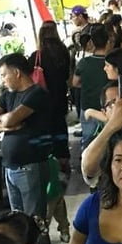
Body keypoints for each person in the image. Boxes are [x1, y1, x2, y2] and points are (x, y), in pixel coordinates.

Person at [0, 53, 56, 244]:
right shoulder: (8, 95)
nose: (3, 80)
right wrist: (5, 127)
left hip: (31, 166)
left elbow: (9, 119)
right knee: (16, 222)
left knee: (35, 221)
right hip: (10, 166)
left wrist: (5, 122)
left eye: (5, 75)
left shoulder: (35, 94)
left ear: (17, 72)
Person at [29, 22, 72, 172]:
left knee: (47, 129)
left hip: (43, 99)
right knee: (60, 126)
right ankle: (63, 158)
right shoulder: (63, 52)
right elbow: (67, 74)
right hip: (60, 96)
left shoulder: (37, 55)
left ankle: (49, 159)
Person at [74, 27, 113, 151]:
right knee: (108, 141)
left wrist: (87, 84)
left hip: (88, 106)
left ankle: (87, 165)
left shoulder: (84, 62)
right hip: (108, 108)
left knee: (88, 140)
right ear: (108, 42)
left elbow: (75, 83)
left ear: (92, 43)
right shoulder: (112, 63)